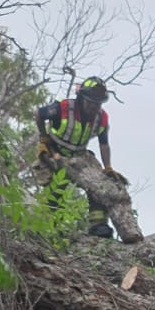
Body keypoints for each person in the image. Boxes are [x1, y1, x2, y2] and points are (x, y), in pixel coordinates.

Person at [37, 76, 117, 238]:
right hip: (55, 151)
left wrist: (107, 167)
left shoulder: (101, 118)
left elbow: (103, 144)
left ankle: (98, 225)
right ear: (81, 98)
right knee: (55, 190)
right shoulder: (64, 108)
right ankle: (51, 227)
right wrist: (43, 137)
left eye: (98, 104)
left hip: (80, 156)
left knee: (99, 184)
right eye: (91, 103)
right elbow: (38, 114)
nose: (94, 107)